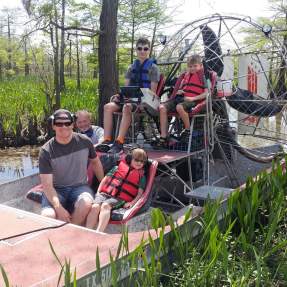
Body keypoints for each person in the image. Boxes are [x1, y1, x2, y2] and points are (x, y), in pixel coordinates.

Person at [39, 109, 104, 226]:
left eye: (67, 123)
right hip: (56, 189)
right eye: (59, 124)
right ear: (53, 126)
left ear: (73, 124)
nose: (64, 127)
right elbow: (47, 185)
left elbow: (96, 162)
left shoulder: (85, 141)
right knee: (48, 216)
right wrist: (58, 208)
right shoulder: (46, 150)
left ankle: (69, 230)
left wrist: (103, 186)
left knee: (86, 204)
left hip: (80, 187)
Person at [102, 37, 160, 153]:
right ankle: (107, 140)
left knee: (127, 107)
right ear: (136, 50)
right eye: (139, 48)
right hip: (131, 97)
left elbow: (153, 92)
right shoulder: (131, 67)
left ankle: (119, 141)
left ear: (149, 50)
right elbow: (126, 88)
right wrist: (119, 95)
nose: (142, 51)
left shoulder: (154, 68)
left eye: (145, 49)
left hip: (146, 99)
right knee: (107, 107)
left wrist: (142, 100)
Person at [86, 148, 148, 232]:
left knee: (105, 206)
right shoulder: (116, 168)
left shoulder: (142, 177)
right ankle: (86, 231)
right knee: (95, 207)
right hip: (104, 194)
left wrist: (131, 203)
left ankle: (98, 232)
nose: (139, 163)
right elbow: (105, 180)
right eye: (137, 160)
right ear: (130, 159)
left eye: (142, 161)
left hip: (119, 199)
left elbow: (140, 194)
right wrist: (98, 192)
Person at [157, 54, 208, 147]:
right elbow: (181, 88)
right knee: (162, 107)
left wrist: (193, 98)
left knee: (179, 107)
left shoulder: (203, 77)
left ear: (201, 66)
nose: (192, 68)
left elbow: (207, 93)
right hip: (180, 98)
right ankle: (163, 136)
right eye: (190, 66)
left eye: (195, 66)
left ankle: (187, 130)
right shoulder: (185, 76)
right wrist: (179, 90)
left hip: (193, 101)